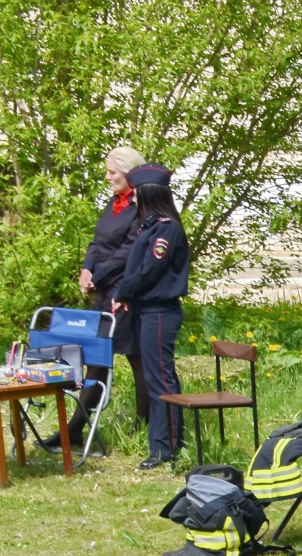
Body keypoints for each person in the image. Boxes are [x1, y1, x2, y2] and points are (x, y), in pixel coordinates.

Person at [111, 164, 189, 470]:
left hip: (160, 313)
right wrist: (128, 294)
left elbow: (148, 271)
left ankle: (165, 447)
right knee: (156, 377)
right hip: (147, 309)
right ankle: (164, 442)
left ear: (150, 194)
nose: (132, 200)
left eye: (137, 194)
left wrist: (123, 292)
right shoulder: (151, 225)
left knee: (160, 381)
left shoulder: (165, 228)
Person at [76, 145, 149, 432]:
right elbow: (98, 242)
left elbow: (127, 251)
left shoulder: (140, 207)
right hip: (105, 289)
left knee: (136, 358)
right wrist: (87, 267)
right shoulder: (112, 202)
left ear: (129, 174)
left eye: (112, 172)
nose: (107, 177)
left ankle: (143, 425)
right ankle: (78, 427)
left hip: (127, 292)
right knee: (97, 356)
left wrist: (99, 276)